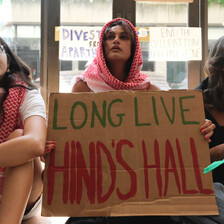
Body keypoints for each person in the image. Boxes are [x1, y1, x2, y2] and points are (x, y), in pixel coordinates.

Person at [66, 18, 215, 224]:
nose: (116, 40)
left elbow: (176, 129)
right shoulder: (83, 87)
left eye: (123, 37)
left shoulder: (149, 90)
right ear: (102, 46)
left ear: (133, 47)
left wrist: (200, 128)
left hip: (142, 194)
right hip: (96, 190)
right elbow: (72, 137)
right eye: (110, 37)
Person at [0, 37, 53, 224]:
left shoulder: (27, 94)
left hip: (25, 197)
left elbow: (35, 143)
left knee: (20, 136)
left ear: (8, 62)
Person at [172, 36, 224, 224]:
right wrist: (216, 152)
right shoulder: (191, 106)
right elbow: (177, 167)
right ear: (219, 69)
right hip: (200, 195)